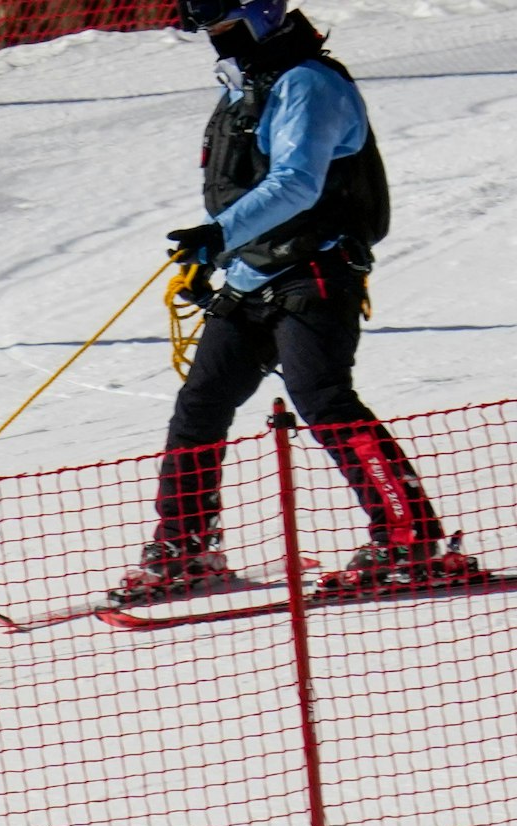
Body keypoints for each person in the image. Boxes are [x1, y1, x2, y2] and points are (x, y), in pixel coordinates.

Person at [116, 0, 475, 602]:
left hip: (317, 267)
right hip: (256, 274)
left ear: (260, 18)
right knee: (201, 403)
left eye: (226, 28)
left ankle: (409, 537)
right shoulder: (247, 87)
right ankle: (185, 545)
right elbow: (246, 185)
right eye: (209, 32)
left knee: (322, 398)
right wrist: (219, 258)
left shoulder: (308, 83)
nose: (218, 43)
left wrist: (220, 235)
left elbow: (298, 182)